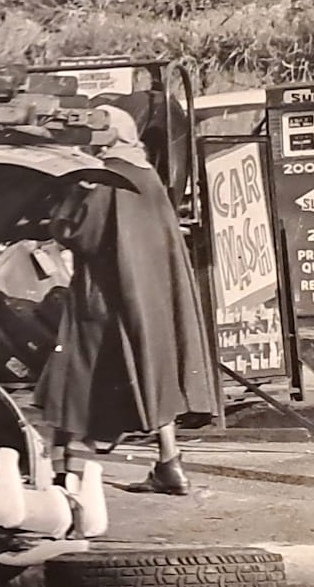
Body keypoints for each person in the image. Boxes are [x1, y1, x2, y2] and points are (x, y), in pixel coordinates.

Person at [37, 100, 217, 496]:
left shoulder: (105, 178)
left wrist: (65, 195)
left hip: (104, 296)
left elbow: (76, 230)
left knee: (75, 376)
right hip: (148, 296)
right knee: (150, 374)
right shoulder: (147, 175)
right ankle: (169, 464)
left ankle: (67, 475)